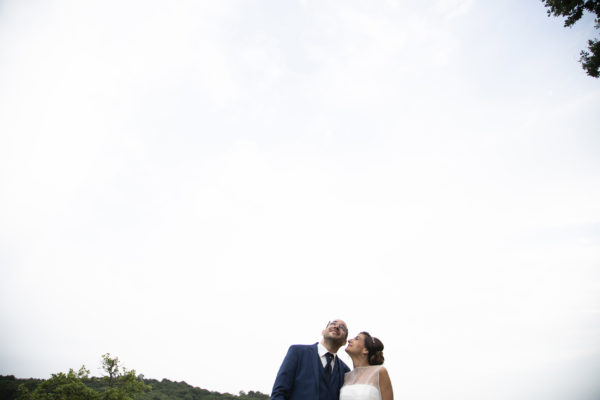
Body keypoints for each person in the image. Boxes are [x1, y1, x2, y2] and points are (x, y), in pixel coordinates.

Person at [271, 319, 351, 400]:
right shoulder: (297, 352)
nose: (336, 326)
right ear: (323, 332)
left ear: (344, 342)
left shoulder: (345, 371)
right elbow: (279, 392)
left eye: (342, 327)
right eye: (333, 323)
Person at [340, 331, 393, 400]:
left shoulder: (380, 372)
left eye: (357, 339)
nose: (349, 340)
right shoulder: (345, 376)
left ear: (365, 350)